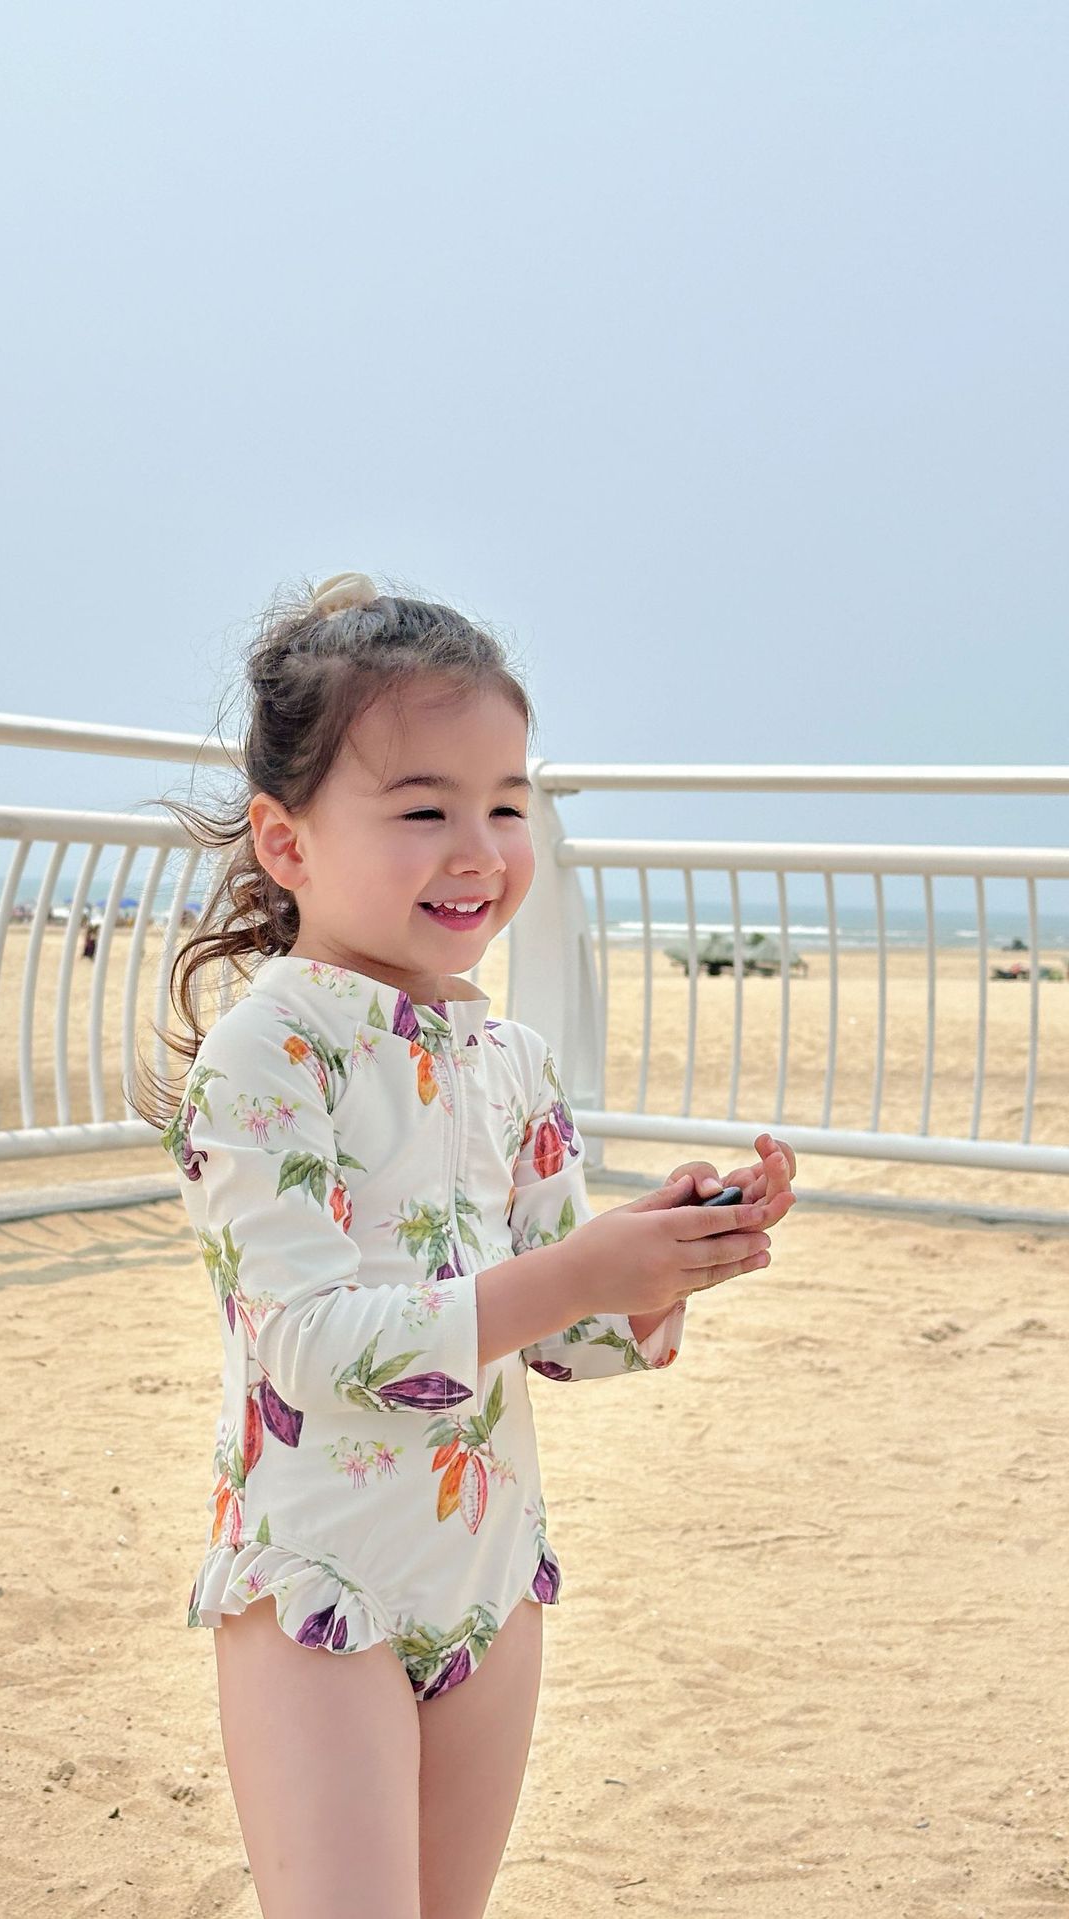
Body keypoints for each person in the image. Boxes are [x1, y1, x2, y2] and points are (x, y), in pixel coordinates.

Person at [137, 572, 798, 1919]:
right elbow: (307, 1348)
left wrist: (666, 1262)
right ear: (286, 842)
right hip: (319, 1579)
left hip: (489, 1572)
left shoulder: (513, 1062)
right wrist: (578, 1271)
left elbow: (561, 1337)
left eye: (506, 804)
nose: (479, 848)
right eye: (424, 808)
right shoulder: (272, 1052)